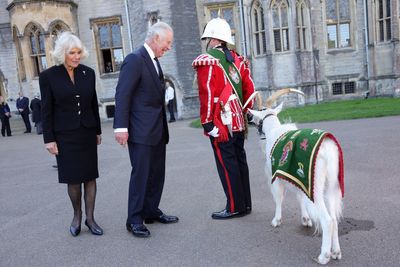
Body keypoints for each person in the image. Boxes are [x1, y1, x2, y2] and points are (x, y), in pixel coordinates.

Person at [114, 22, 178, 238]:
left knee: (156, 173)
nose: (168, 47)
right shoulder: (135, 59)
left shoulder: (154, 60)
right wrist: (120, 127)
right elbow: (123, 95)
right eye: (167, 42)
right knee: (141, 175)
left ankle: (151, 210)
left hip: (157, 130)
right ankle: (134, 220)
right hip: (140, 131)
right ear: (156, 38)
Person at [39, 32, 103, 237]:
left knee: (90, 177)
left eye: (78, 52)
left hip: (87, 132)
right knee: (73, 179)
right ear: (62, 53)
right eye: (71, 53)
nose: (76, 56)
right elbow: (46, 110)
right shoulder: (48, 76)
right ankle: (77, 215)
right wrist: (49, 139)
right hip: (64, 135)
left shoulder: (88, 73)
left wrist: (98, 131)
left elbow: (93, 104)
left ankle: (91, 219)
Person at [192, 18, 256, 219]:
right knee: (239, 159)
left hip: (221, 120)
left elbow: (207, 93)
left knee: (227, 163)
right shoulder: (238, 59)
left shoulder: (208, 59)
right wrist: (245, 112)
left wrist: (207, 122)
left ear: (212, 38)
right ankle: (245, 204)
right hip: (238, 119)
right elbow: (249, 89)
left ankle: (234, 206)